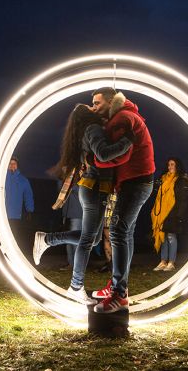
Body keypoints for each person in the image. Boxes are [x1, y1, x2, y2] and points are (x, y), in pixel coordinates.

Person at [32, 103, 133, 303]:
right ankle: (75, 286)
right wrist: (127, 141)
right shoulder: (92, 129)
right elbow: (103, 154)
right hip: (94, 189)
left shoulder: (84, 131)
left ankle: (47, 239)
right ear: (86, 115)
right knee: (88, 240)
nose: (94, 108)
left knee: (93, 239)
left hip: (93, 189)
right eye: (91, 106)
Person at [90, 88, 156, 314]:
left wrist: (95, 160)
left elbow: (119, 155)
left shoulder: (121, 119)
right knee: (124, 233)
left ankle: (119, 294)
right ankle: (118, 288)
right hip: (136, 181)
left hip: (135, 181)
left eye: (97, 103)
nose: (94, 107)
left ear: (110, 102)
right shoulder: (125, 115)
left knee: (118, 232)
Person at [151, 157, 188, 272]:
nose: (170, 167)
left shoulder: (181, 180)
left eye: (172, 165)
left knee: (171, 236)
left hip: (174, 212)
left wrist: (180, 215)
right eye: (169, 165)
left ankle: (171, 262)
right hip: (162, 212)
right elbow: (159, 196)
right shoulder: (163, 178)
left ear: (177, 166)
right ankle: (163, 261)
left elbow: (183, 199)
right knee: (163, 236)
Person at [5, 156, 34, 252]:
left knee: (14, 238)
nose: (12, 165)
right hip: (2, 214)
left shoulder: (23, 180)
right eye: (10, 163)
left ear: (17, 166)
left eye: (14, 163)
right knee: (3, 238)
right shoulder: (2, 178)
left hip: (16, 215)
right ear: (7, 165)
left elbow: (28, 195)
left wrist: (29, 210)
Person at [59, 184, 83, 271]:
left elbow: (80, 192)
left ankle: (77, 266)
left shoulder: (83, 177)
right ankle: (71, 263)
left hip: (77, 213)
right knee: (67, 240)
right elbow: (61, 191)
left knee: (75, 240)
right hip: (66, 213)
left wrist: (71, 185)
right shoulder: (68, 179)